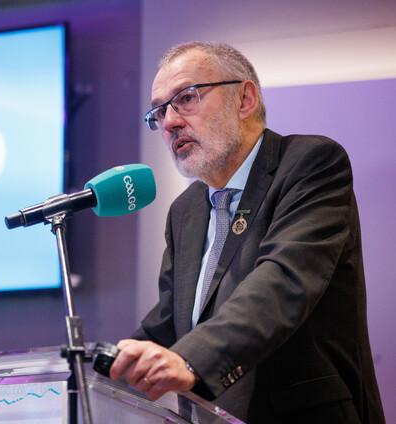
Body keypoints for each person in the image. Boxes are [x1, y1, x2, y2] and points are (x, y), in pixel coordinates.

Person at [108, 41, 385, 423]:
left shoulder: (310, 164)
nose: (169, 122)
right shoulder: (185, 210)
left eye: (186, 98)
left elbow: (283, 282)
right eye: (159, 111)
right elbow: (170, 322)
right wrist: (107, 369)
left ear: (245, 99)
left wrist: (190, 361)